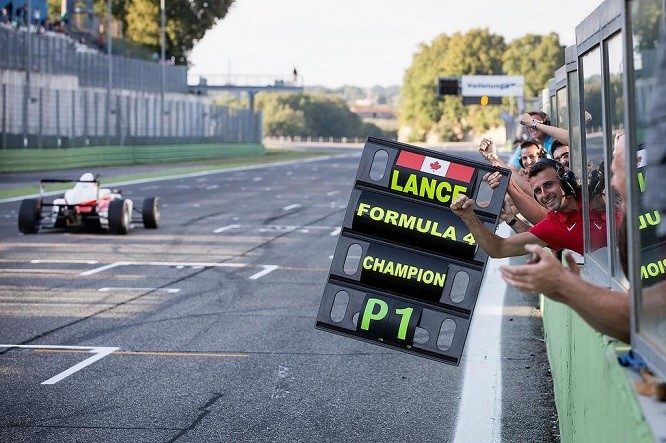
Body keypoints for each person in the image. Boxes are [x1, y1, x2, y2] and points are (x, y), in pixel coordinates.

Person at [499, 133, 631, 341]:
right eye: (539, 190)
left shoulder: (598, 190)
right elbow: (533, 223)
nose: (545, 193)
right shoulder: (556, 220)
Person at [450, 158, 607, 257]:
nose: (544, 194)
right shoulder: (553, 226)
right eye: (537, 191)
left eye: (549, 185)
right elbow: (499, 249)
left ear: (565, 182)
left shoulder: (592, 192)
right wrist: (468, 216)